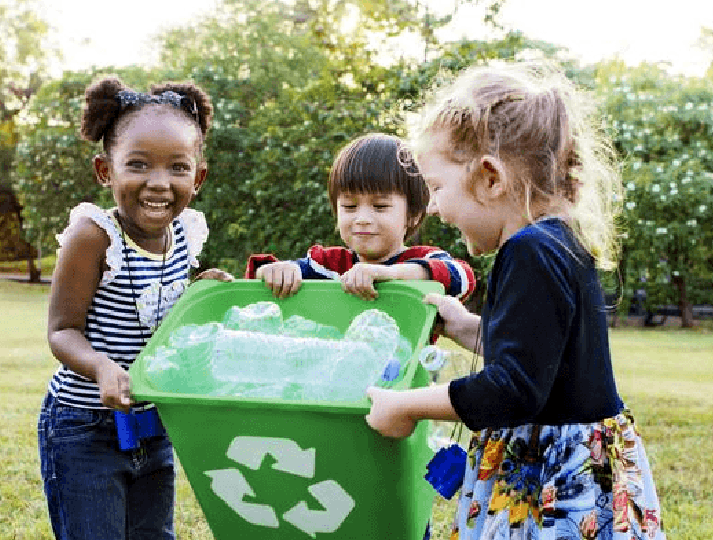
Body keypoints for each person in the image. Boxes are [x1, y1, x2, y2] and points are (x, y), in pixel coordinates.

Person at [365, 63, 665, 540]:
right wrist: (465, 326)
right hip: (583, 465)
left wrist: (405, 405)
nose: (436, 207)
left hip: (553, 477)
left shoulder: (527, 250)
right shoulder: (560, 241)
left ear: (489, 178)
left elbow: (514, 389)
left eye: (438, 188)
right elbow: (540, 357)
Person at [38, 76, 233, 540]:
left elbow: (161, 312)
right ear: (106, 171)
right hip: (86, 428)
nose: (159, 183)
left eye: (178, 168)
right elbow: (62, 331)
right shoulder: (94, 236)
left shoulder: (188, 232)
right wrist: (103, 369)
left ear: (198, 177)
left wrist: (203, 293)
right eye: (138, 165)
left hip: (153, 424)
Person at [245, 133, 476, 304]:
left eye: (380, 206)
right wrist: (273, 272)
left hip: (406, 368)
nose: (362, 218)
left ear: (413, 215)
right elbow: (262, 276)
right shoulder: (329, 266)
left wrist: (389, 274)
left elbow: (463, 278)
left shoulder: (422, 259)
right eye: (350, 206)